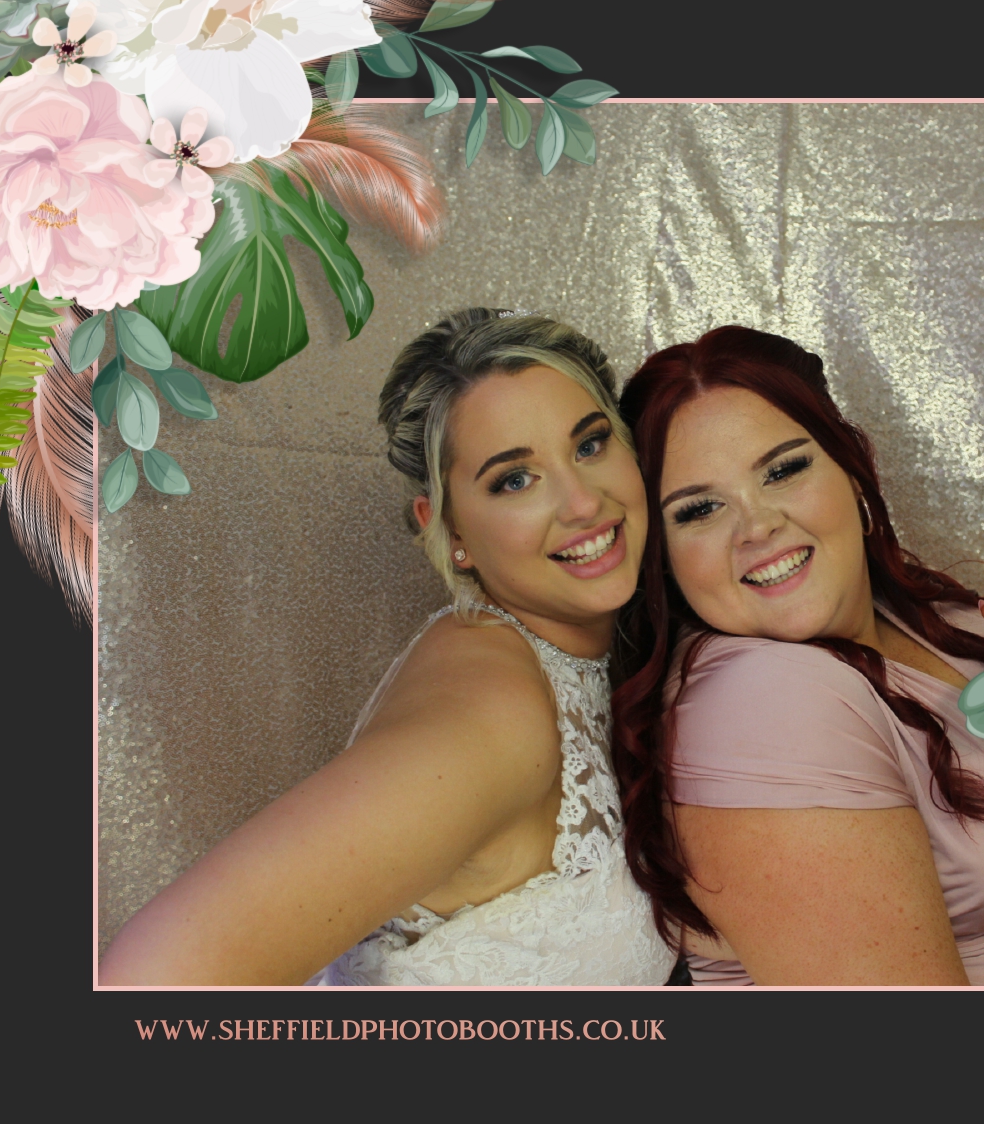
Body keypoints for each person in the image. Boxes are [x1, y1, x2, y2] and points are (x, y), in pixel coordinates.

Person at [100, 310, 675, 986]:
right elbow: (157, 973)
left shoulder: (591, 652)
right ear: (450, 531)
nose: (581, 503)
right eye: (514, 480)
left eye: (590, 444)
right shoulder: (490, 716)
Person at [612, 326, 984, 985]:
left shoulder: (927, 615)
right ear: (664, 557)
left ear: (852, 470)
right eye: (700, 508)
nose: (757, 526)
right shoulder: (761, 700)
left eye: (783, 471)